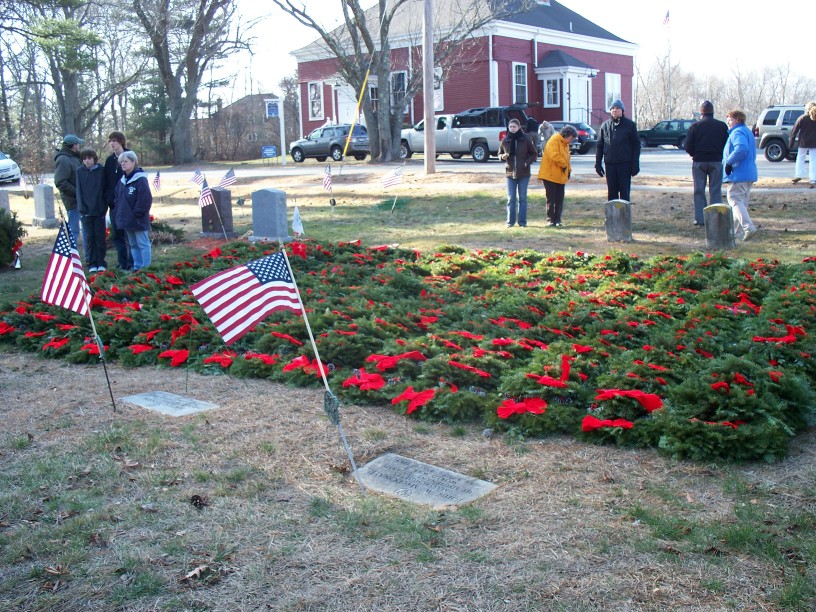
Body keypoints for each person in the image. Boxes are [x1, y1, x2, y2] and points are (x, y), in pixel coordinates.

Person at [684, 100, 728, 226]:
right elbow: (726, 144)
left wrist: (695, 154)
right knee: (715, 190)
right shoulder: (722, 126)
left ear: (701, 112)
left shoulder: (695, 126)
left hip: (699, 161)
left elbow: (687, 146)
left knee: (699, 191)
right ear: (713, 112)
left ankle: (700, 219)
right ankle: (715, 218)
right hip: (716, 161)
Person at [113, 150, 152, 270]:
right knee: (133, 245)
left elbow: (145, 199)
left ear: (133, 162)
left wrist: (137, 213)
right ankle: (137, 267)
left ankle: (146, 268)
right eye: (121, 162)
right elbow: (118, 198)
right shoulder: (122, 181)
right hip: (126, 219)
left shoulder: (140, 179)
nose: (123, 164)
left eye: (126, 161)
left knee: (142, 244)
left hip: (138, 219)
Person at [595, 100, 641, 201]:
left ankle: (624, 216)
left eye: (617, 108)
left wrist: (635, 163)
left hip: (625, 164)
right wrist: (598, 164)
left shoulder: (630, 125)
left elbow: (636, 145)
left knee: (624, 192)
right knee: (612, 193)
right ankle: (612, 216)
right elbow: (599, 145)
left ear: (622, 110)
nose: (615, 110)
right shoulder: (605, 126)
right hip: (610, 164)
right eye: (612, 108)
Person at [723, 109, 758, 242]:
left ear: (738, 119)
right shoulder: (746, 131)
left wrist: (729, 162)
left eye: (730, 119)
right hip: (748, 173)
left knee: (734, 199)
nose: (728, 122)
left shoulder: (737, 132)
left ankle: (748, 227)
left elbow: (741, 149)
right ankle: (734, 232)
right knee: (740, 202)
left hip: (739, 173)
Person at [499, 118, 537, 227]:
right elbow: (499, 153)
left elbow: (534, 154)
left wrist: (526, 163)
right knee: (511, 198)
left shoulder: (526, 139)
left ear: (519, 127)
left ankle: (522, 222)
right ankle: (510, 222)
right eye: (510, 127)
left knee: (522, 198)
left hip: (523, 173)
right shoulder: (506, 140)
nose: (512, 129)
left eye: (514, 127)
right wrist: (502, 156)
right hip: (510, 172)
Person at [537, 124, 577, 227]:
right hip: (550, 175)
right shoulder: (554, 140)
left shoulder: (565, 144)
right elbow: (554, 156)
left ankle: (558, 220)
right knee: (551, 198)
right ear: (566, 134)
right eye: (571, 138)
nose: (571, 141)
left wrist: (569, 170)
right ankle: (550, 220)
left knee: (560, 198)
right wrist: (565, 166)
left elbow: (567, 158)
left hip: (560, 174)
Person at [104, 131, 133, 270]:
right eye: (110, 141)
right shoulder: (110, 161)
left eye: (115, 140)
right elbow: (107, 181)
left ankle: (132, 262)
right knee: (117, 234)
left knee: (130, 235)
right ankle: (122, 262)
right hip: (114, 204)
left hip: (127, 203)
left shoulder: (129, 156)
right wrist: (108, 198)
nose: (112, 143)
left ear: (121, 141)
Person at [76, 148, 108, 272]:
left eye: (89, 158)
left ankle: (101, 262)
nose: (87, 161)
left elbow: (103, 190)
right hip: (86, 211)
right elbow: (79, 190)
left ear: (94, 158)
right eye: (84, 159)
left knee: (99, 237)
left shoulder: (101, 171)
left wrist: (103, 207)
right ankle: (92, 263)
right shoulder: (80, 171)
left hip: (99, 210)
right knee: (89, 237)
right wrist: (82, 209)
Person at [53, 134, 84, 243]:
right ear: (74, 146)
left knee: (85, 229)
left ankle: (88, 257)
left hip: (81, 200)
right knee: (74, 230)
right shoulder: (63, 159)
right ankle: (71, 255)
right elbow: (60, 182)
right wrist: (78, 193)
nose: (79, 146)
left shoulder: (75, 157)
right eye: (78, 144)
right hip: (73, 201)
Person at [790, 101, 816, 187]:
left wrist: (791, 143)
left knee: (800, 158)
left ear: (807, 109)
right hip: (814, 142)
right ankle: (813, 178)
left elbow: (794, 131)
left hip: (803, 142)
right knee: (813, 160)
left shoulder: (802, 118)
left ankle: (798, 175)